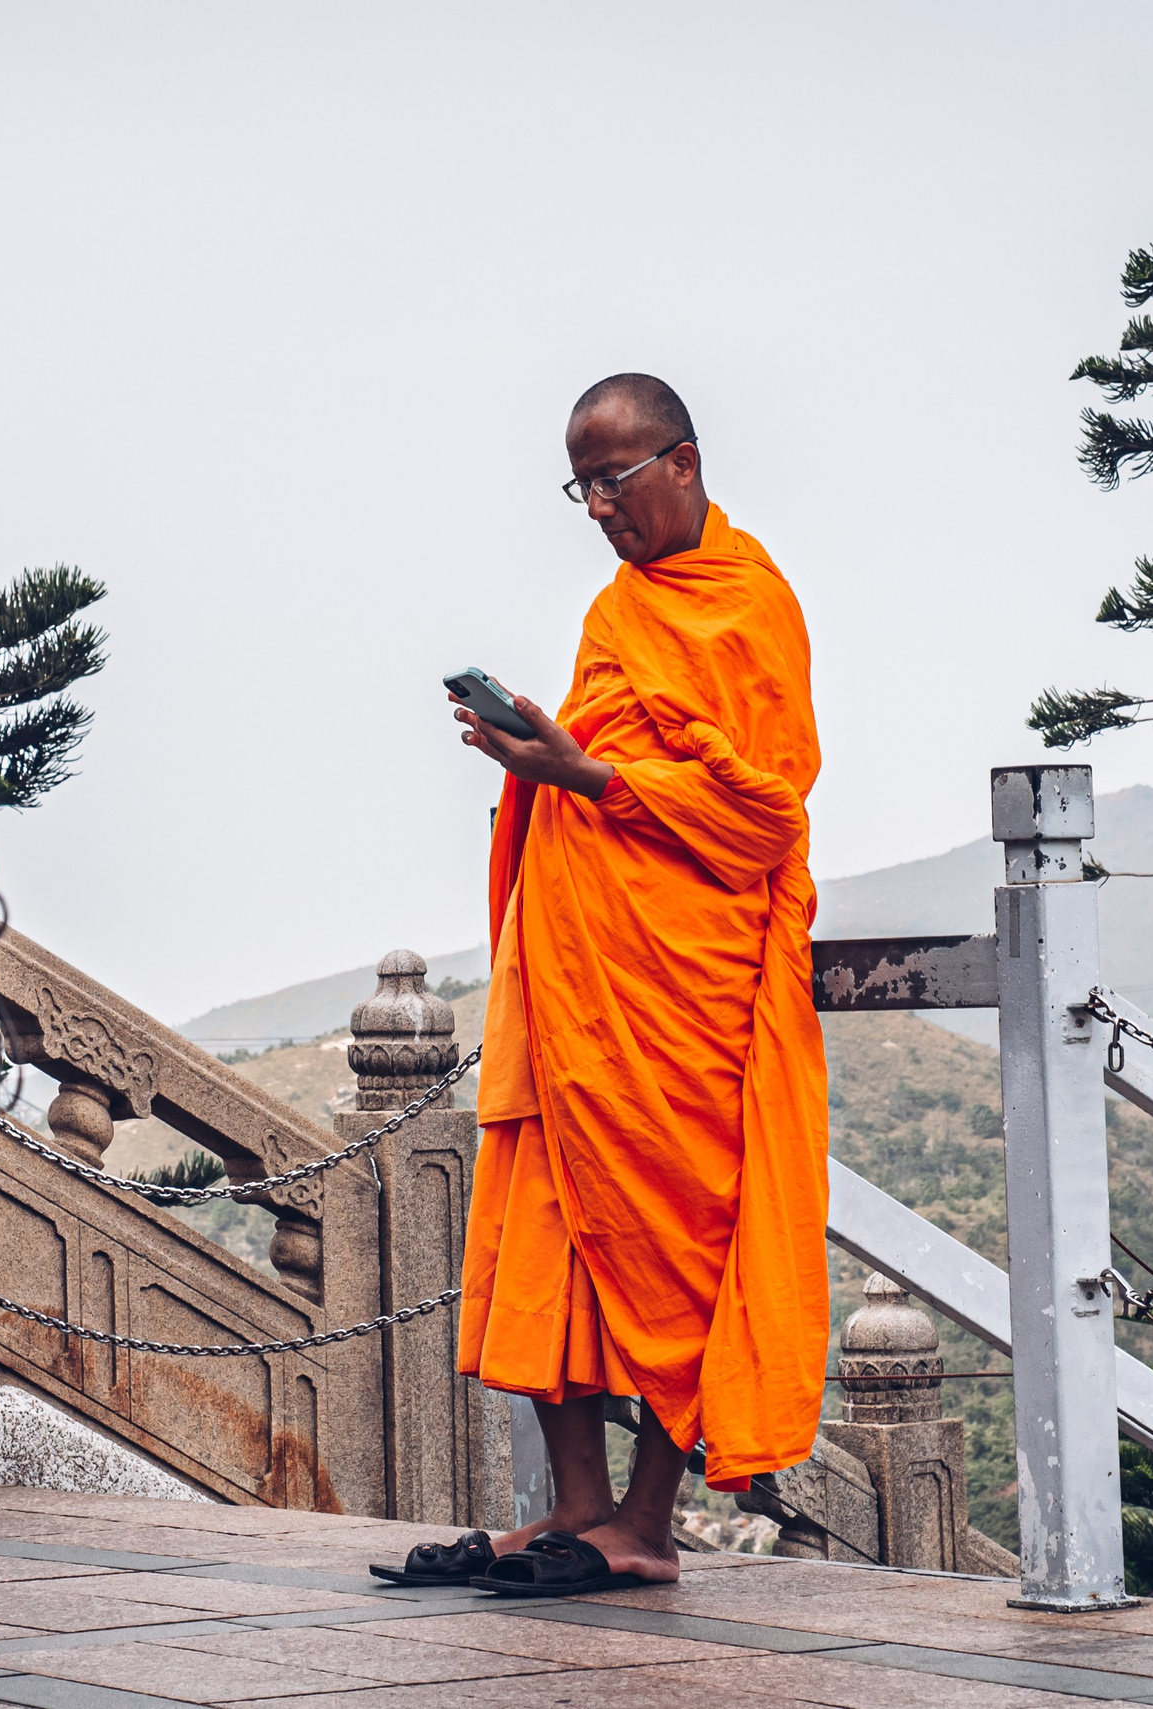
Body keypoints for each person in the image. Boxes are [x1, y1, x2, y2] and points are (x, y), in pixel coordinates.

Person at [398, 374, 829, 1595]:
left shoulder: (750, 609)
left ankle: (647, 1524)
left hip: (676, 988)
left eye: (614, 478)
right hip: (574, 979)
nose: (596, 507)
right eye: (580, 484)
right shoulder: (620, 608)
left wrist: (583, 777)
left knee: (670, 1247)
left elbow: (761, 821)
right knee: (555, 1236)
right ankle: (577, 1508)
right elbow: (600, 764)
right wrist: (539, 756)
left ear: (682, 462)